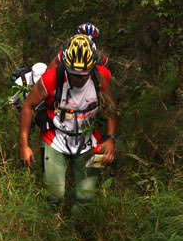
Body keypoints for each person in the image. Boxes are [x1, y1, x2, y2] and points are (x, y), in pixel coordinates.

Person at [19, 34, 117, 215]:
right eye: (73, 75)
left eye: (83, 76)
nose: (78, 80)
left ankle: (77, 228)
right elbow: (28, 106)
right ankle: (51, 229)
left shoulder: (100, 78)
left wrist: (110, 138)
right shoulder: (51, 79)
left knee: (87, 197)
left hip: (90, 142)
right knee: (54, 195)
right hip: (55, 140)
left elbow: (110, 108)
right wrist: (24, 145)